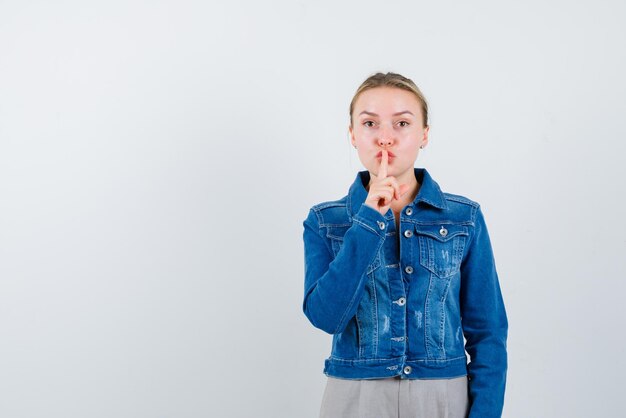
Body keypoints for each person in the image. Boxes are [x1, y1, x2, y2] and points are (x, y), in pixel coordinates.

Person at [302, 72, 508, 418]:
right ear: (352, 135)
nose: (385, 138)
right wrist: (368, 221)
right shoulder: (326, 221)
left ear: (424, 134)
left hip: (442, 395)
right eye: (370, 123)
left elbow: (488, 332)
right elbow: (327, 317)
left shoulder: (463, 218)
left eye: (401, 124)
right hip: (355, 396)